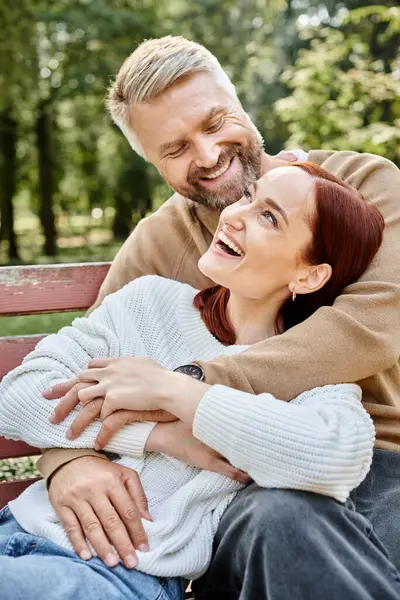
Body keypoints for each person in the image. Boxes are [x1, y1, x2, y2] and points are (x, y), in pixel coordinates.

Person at [34, 36, 400, 599]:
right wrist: (67, 459)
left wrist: (190, 386)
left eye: (215, 123)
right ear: (153, 162)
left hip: (381, 457)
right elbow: (85, 375)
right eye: (174, 149)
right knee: (278, 518)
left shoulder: (365, 187)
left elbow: (371, 326)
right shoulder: (158, 248)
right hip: (243, 486)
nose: (206, 156)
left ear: (241, 102)